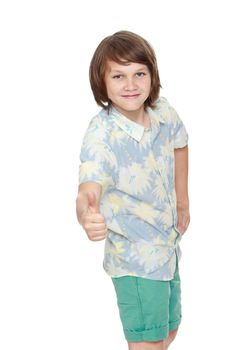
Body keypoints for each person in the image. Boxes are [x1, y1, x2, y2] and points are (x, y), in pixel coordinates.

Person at [76, 30, 190, 350]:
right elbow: (88, 185)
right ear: (102, 82)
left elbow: (180, 145)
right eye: (118, 75)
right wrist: (86, 213)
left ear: (152, 76)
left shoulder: (163, 113)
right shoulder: (101, 136)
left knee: (168, 330)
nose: (130, 85)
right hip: (136, 260)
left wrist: (183, 201)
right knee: (147, 343)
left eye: (139, 73)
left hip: (166, 246)